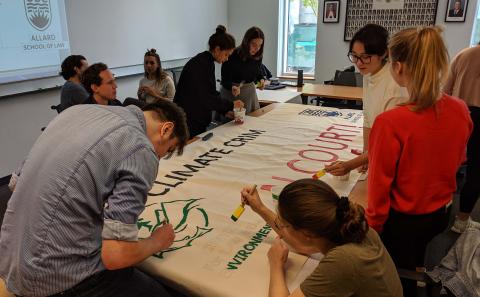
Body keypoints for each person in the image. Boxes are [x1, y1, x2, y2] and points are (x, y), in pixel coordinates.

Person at [0, 100, 189, 297]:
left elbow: (15, 185)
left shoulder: (76, 112)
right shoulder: (140, 148)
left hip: (11, 261)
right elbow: (116, 256)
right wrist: (157, 241)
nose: (159, 158)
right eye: (167, 150)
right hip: (53, 278)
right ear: (166, 129)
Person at [367, 26, 472, 296]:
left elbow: (378, 190)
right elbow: (460, 158)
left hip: (404, 222)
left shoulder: (391, 123)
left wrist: (372, 231)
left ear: (399, 67)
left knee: (396, 278)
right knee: (415, 261)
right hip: (441, 213)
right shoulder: (460, 109)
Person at [240, 179, 403, 297]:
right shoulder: (352, 225)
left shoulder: (343, 261)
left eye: (285, 225)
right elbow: (304, 245)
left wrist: (276, 265)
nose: (282, 228)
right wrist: (260, 208)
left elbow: (302, 244)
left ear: (308, 233)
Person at [325, 24, 407, 177]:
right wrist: (365, 156)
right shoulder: (369, 74)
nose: (358, 63)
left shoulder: (395, 86)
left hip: (397, 161)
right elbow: (368, 119)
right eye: (354, 56)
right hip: (379, 151)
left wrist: (351, 164)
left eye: (365, 57)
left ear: (383, 53)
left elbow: (389, 142)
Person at [174, 25, 243, 138]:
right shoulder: (201, 64)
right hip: (188, 120)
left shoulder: (206, 62)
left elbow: (209, 91)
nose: (226, 59)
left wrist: (224, 111)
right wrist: (231, 105)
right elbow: (206, 97)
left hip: (193, 118)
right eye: (226, 54)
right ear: (217, 49)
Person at [444, 42, 480, 233]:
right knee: (476, 170)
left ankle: (442, 204)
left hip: (458, 112)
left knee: (449, 162)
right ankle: (462, 219)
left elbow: (446, 90)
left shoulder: (464, 54)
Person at [221, 26, 265, 113]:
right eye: (254, 44)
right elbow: (224, 80)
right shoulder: (232, 55)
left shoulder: (258, 56)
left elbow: (257, 73)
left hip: (249, 94)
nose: (257, 49)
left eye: (260, 45)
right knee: (230, 125)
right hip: (231, 95)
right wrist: (232, 87)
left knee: (252, 122)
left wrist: (261, 80)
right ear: (246, 41)